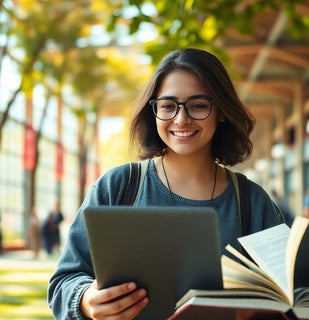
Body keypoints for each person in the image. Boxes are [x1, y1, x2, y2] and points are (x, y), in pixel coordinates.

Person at [48, 48, 283, 320]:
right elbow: (63, 283)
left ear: (220, 111)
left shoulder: (252, 202)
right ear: (154, 111)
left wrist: (257, 309)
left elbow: (288, 296)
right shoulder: (118, 186)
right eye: (168, 105)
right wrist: (87, 301)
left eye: (197, 105)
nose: (181, 119)